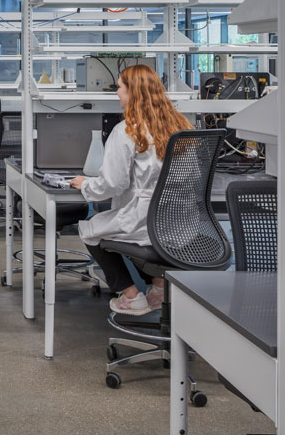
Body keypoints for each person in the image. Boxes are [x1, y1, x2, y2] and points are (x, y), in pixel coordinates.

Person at [69, 65, 192, 316]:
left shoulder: (127, 130)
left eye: (120, 88)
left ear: (133, 93)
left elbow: (112, 184)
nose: (117, 93)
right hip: (181, 223)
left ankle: (130, 295)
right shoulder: (182, 127)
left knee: (90, 230)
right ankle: (158, 288)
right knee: (140, 239)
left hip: (143, 220)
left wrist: (86, 185)